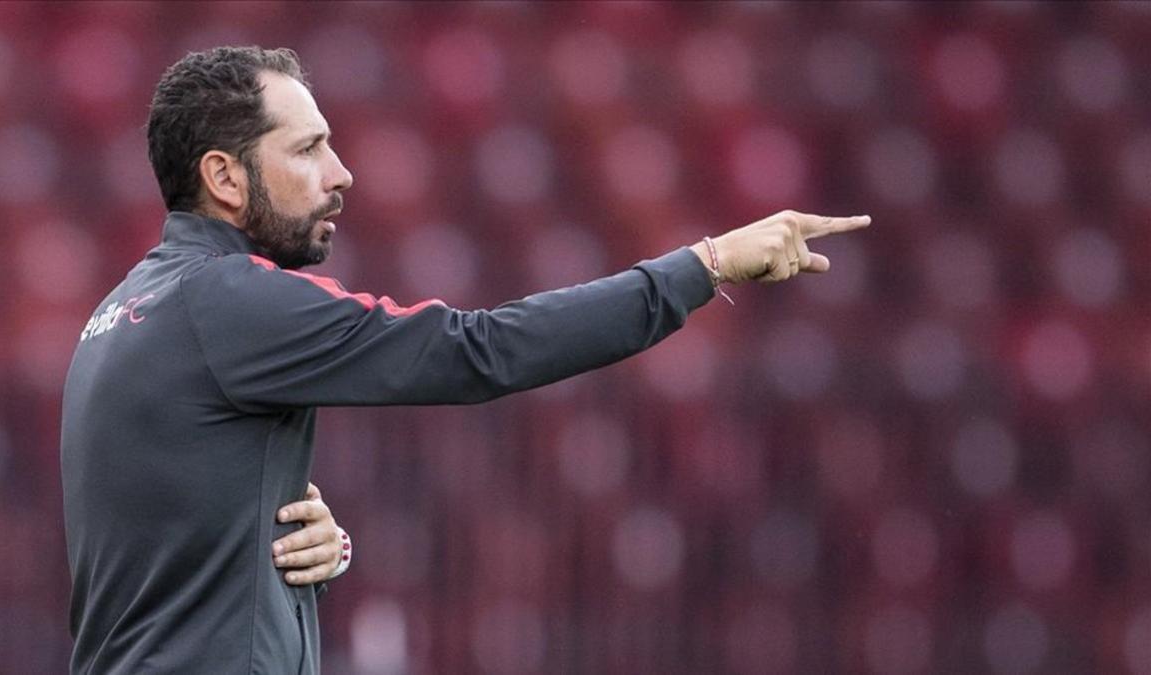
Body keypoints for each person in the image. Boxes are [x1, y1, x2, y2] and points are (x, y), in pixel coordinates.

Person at [59, 46, 869, 674]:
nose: (341, 174)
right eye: (308, 149)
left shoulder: (126, 311)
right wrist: (705, 264)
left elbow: (170, 554)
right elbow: (475, 350)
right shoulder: (229, 301)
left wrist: (314, 551)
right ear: (225, 177)